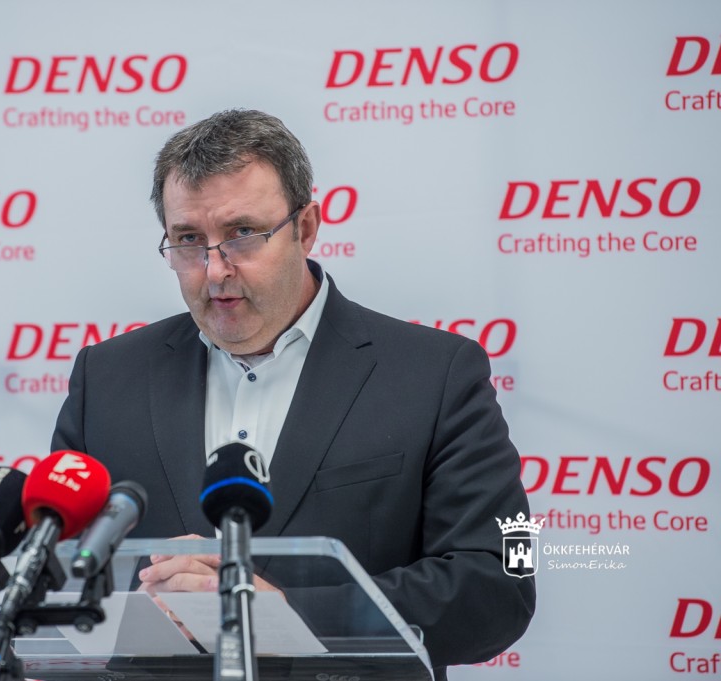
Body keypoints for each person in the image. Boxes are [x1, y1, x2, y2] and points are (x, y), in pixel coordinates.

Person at [51, 109, 535, 678]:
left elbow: (499, 585)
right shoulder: (107, 379)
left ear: (305, 228)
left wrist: (288, 617)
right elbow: (54, 577)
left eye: (242, 234)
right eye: (189, 240)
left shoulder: (436, 375)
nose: (214, 270)